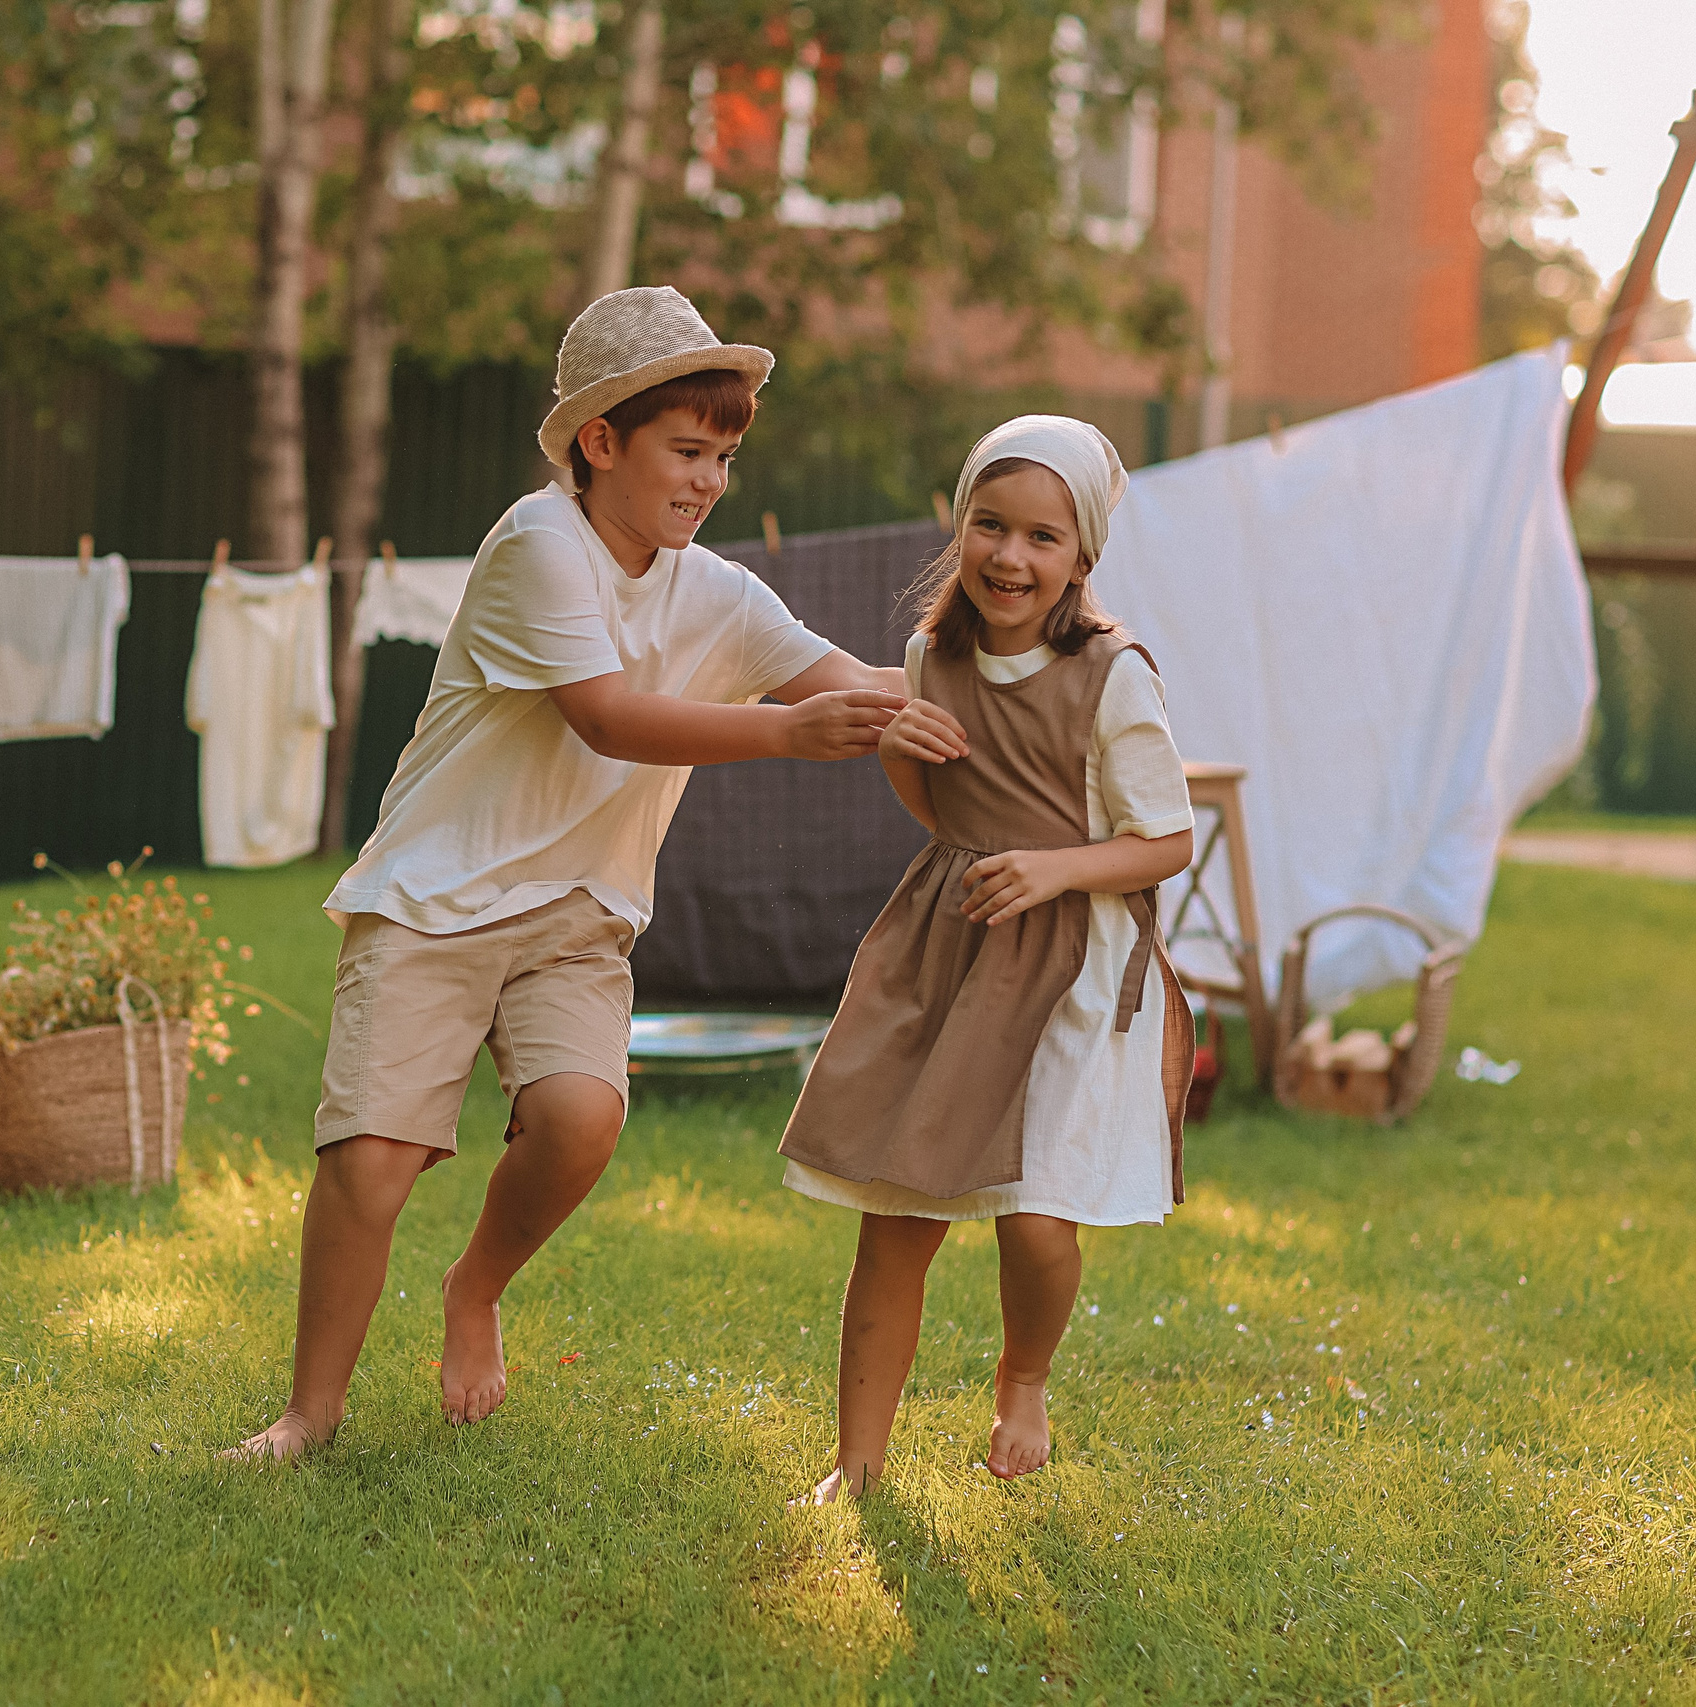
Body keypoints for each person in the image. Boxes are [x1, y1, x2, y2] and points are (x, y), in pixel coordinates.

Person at [228, 286, 908, 1462]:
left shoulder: (721, 594)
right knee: (372, 1163)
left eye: (725, 457)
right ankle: (308, 1416)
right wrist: (785, 737)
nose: (708, 482)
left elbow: (863, 689)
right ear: (600, 442)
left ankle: (473, 1290)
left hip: (576, 912)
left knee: (582, 1120)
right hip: (435, 896)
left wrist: (1039, 694)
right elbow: (605, 717)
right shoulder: (536, 542)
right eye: (686, 452)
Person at [777, 416, 1197, 1502]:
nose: (1011, 556)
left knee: (1037, 1218)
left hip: (1068, 957)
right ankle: (856, 1465)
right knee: (897, 1212)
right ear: (960, 527)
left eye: (1042, 538)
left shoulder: (1110, 677)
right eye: (990, 526)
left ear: (1080, 557)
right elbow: (939, 812)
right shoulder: (929, 657)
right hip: (951, 946)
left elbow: (1168, 840)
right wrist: (895, 746)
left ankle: (1023, 1375)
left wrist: (1057, 871)